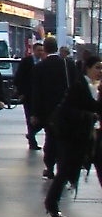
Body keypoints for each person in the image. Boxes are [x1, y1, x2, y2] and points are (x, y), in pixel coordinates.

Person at [44, 50, 100, 217]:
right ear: (88, 69)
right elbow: (67, 110)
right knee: (65, 171)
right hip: (74, 136)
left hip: (92, 137)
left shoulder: (96, 87)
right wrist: (90, 116)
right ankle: (51, 203)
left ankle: (52, 203)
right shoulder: (79, 86)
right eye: (97, 68)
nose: (100, 71)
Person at [30, 37, 74, 176]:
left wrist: (35, 113)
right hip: (66, 108)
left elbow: (36, 91)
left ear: (45, 49)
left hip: (47, 110)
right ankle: (63, 166)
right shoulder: (68, 65)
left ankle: (49, 166)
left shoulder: (40, 67)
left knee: (50, 138)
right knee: (63, 138)